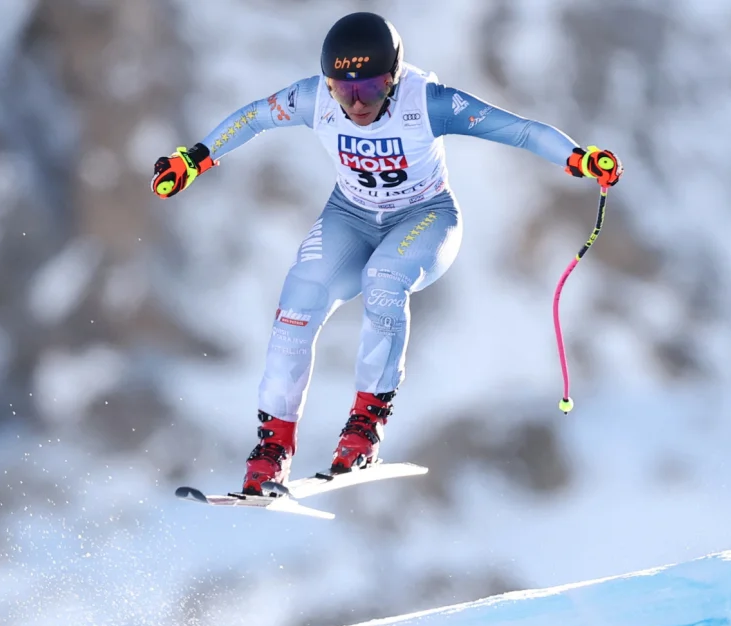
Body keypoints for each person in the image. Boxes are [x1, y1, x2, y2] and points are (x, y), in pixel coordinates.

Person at [151, 11, 622, 495]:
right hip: (349, 216)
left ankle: (364, 428)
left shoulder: (429, 102)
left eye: (371, 90)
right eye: (343, 90)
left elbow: (517, 129)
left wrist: (578, 158)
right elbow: (254, 116)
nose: (356, 103)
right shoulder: (314, 98)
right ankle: (273, 449)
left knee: (384, 280)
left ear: (394, 78)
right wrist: (196, 158)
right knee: (297, 303)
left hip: (424, 218)